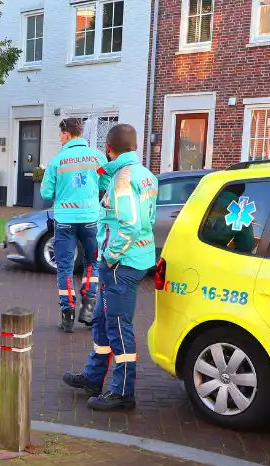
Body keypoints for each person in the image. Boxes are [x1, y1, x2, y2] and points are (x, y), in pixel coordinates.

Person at [62, 124, 158, 411]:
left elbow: (130, 223)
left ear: (108, 148)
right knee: (103, 321)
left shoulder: (122, 179)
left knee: (117, 326)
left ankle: (122, 392)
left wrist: (112, 256)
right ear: (136, 147)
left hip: (121, 264)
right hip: (133, 260)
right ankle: (93, 377)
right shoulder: (146, 175)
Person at [40, 118, 108, 332]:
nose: (60, 139)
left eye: (60, 135)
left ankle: (67, 314)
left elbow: (45, 193)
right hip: (91, 219)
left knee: (65, 268)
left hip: (65, 221)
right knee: (92, 263)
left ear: (67, 134)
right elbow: (106, 183)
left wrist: (63, 193)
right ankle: (88, 310)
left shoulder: (57, 161)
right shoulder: (97, 157)